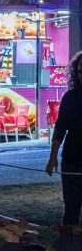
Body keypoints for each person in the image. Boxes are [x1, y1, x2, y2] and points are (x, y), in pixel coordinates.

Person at [47, 51, 82, 225]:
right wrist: (53, 156)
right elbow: (60, 128)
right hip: (72, 159)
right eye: (81, 71)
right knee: (71, 210)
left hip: (73, 158)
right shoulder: (69, 97)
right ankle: (68, 248)